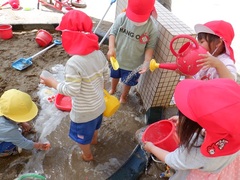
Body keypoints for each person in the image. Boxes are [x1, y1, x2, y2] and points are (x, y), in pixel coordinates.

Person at [40, 10, 110, 162]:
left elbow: (72, 91)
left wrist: (52, 83)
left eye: (63, 34)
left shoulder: (74, 63)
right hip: (99, 106)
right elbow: (106, 76)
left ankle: (87, 155)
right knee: (94, 130)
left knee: (81, 139)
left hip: (83, 113)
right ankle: (95, 141)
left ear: (70, 36)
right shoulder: (98, 53)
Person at [143, 78, 240, 179]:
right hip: (225, 166)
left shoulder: (197, 150)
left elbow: (173, 160)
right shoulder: (233, 128)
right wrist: (188, 123)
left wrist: (151, 148)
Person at [107, 0, 159, 103]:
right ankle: (113, 89)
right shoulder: (122, 17)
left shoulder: (152, 28)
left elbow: (150, 47)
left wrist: (146, 62)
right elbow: (112, 33)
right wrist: (111, 48)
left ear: (150, 12)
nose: (136, 22)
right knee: (115, 75)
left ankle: (123, 96)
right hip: (118, 57)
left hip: (134, 63)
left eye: (140, 19)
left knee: (128, 82)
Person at [0, 89, 51, 157]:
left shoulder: (3, 107)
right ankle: (5, 152)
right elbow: (23, 143)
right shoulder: (9, 130)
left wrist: (22, 122)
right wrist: (39, 145)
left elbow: (8, 114)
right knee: (14, 139)